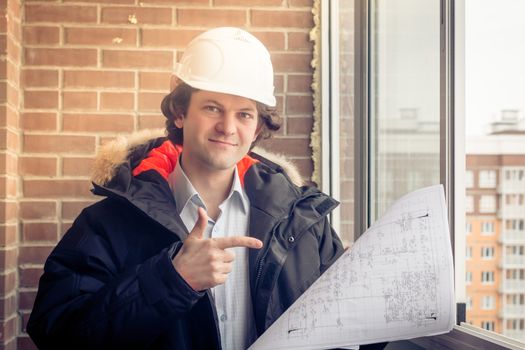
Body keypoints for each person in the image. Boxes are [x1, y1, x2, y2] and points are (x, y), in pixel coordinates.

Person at [27, 27, 345, 349]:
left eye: (244, 114)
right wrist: (171, 280)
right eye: (212, 107)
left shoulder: (304, 224)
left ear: (258, 127)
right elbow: (59, 334)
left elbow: (349, 328)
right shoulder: (107, 224)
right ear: (180, 113)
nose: (228, 127)